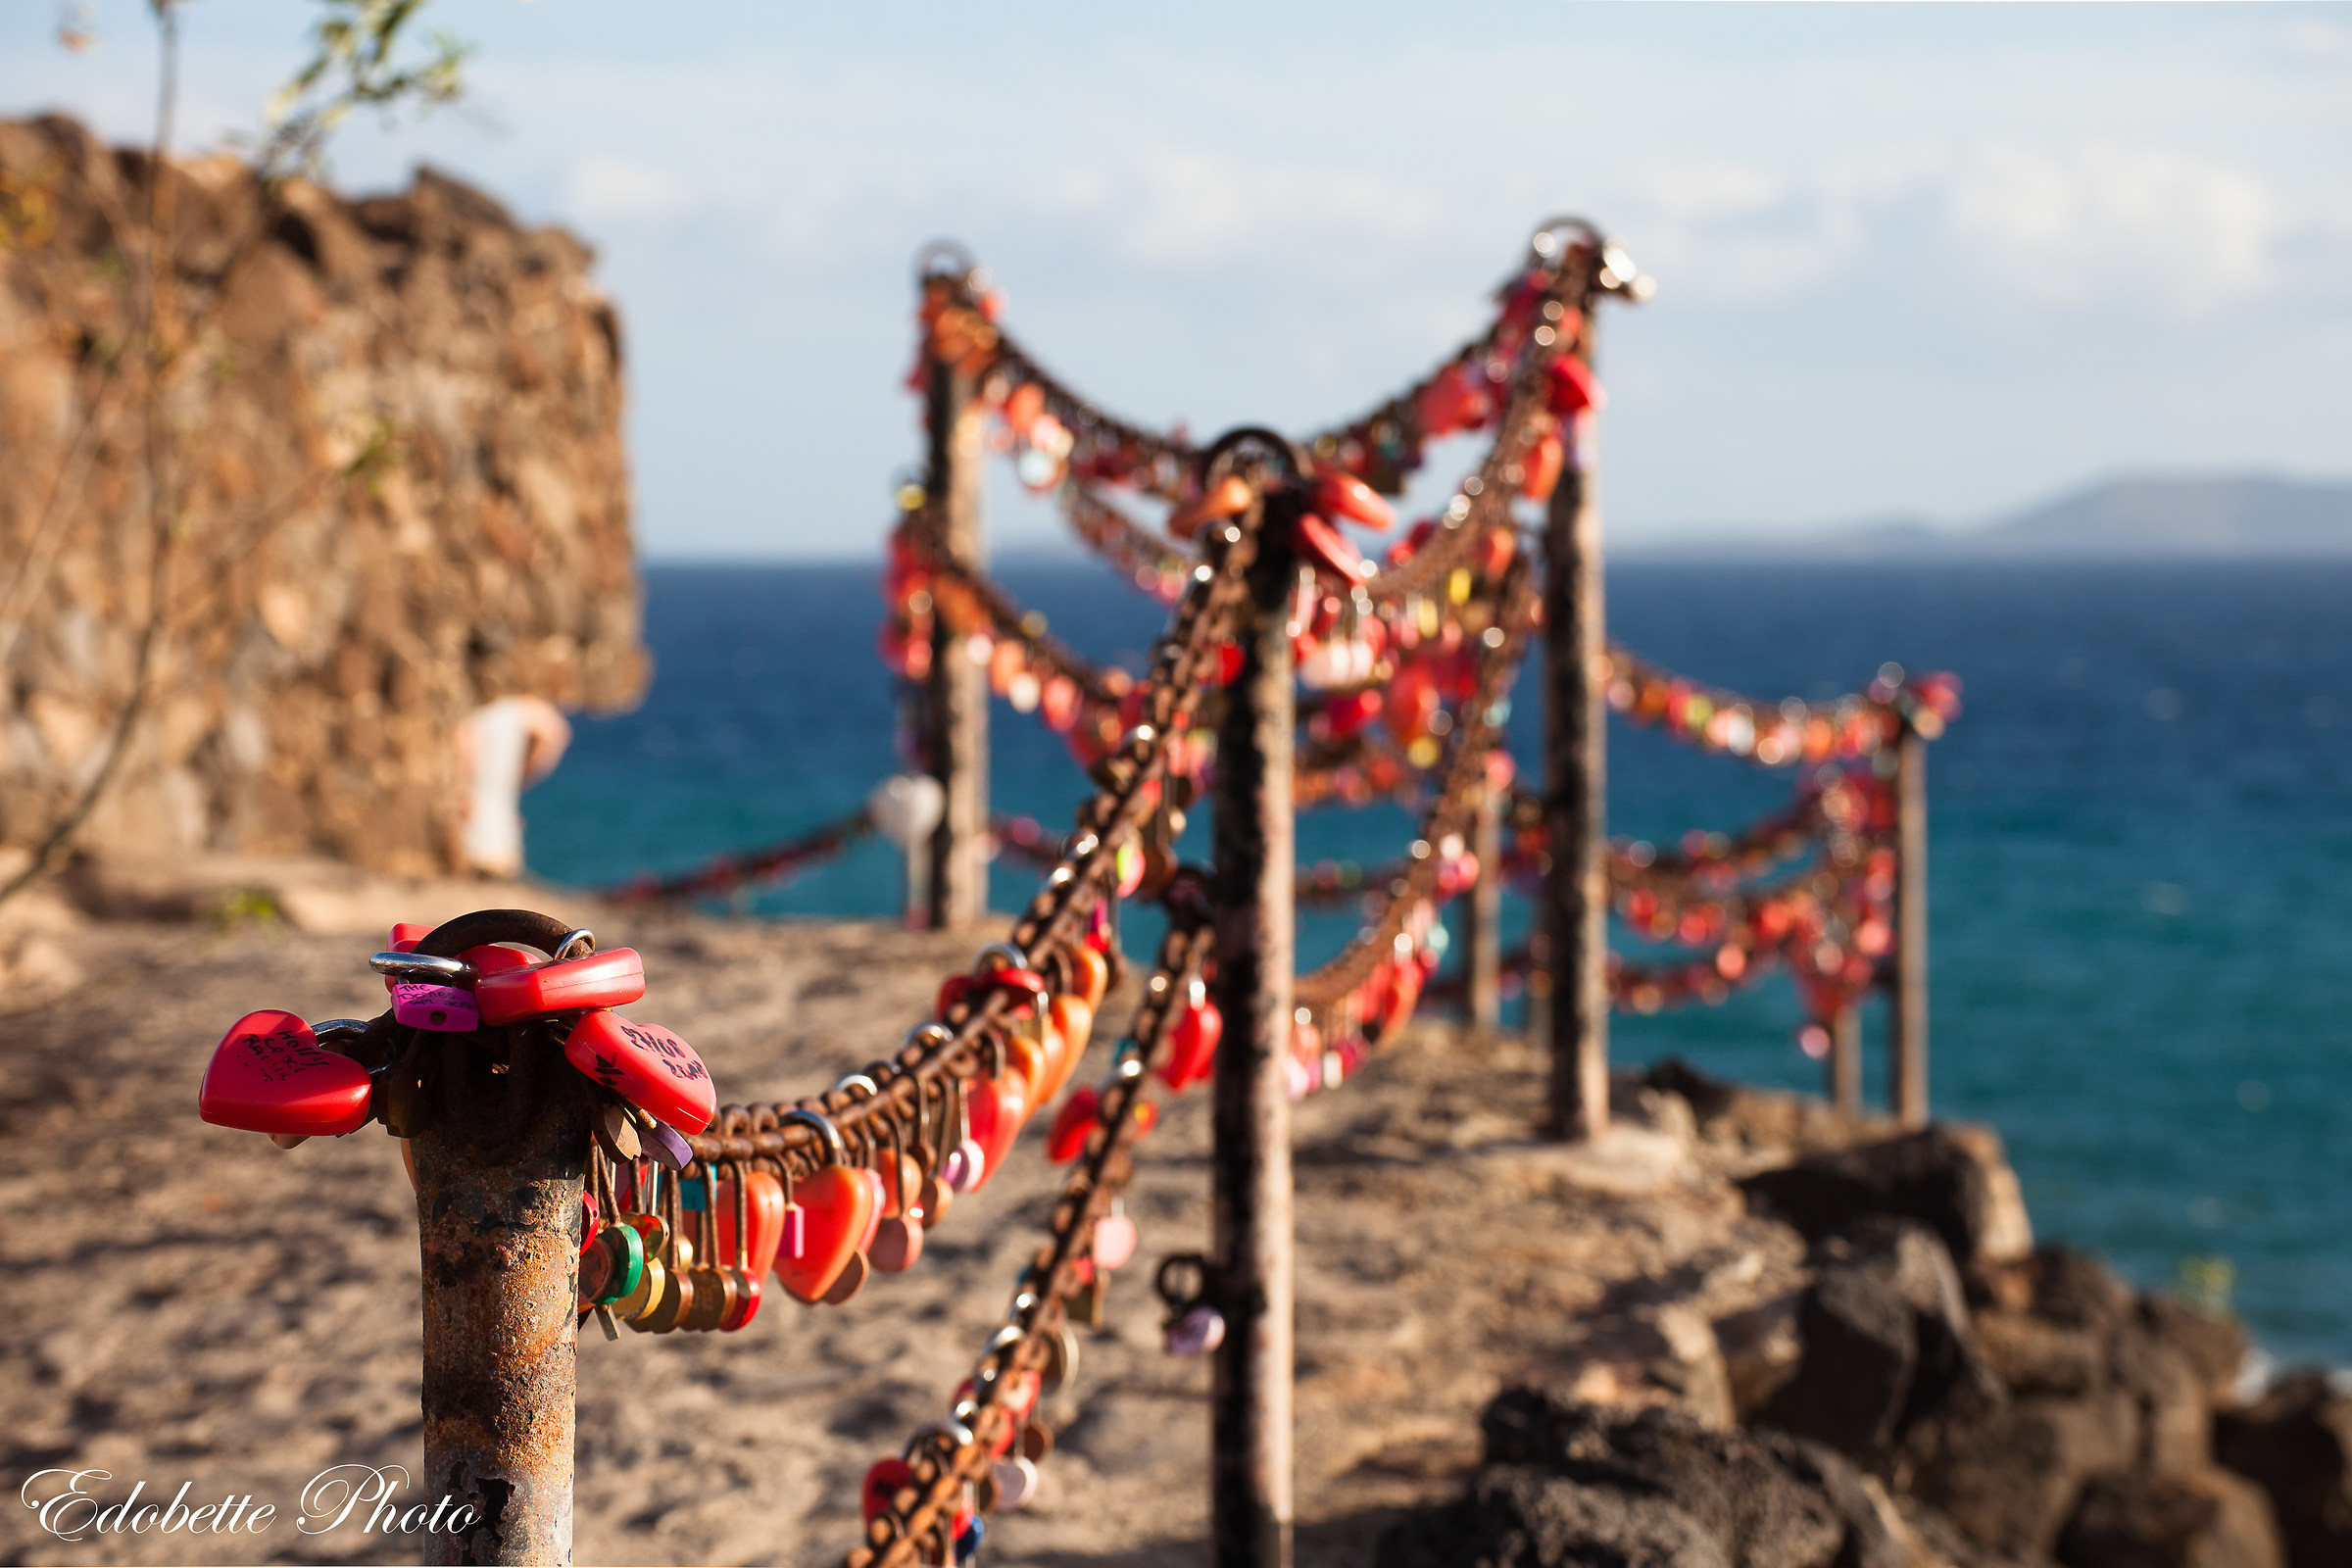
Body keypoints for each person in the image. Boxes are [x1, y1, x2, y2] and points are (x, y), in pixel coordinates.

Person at [455, 695, 572, 877]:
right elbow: (555, 733)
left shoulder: (479, 708)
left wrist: (462, 791)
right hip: (502, 835)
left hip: (471, 827)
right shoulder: (520, 707)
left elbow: (464, 742)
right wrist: (517, 779)